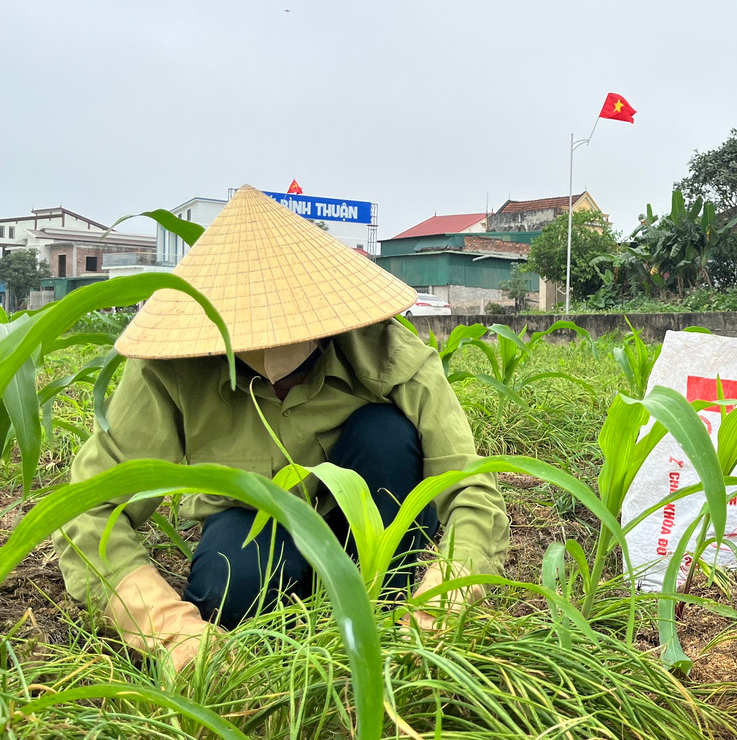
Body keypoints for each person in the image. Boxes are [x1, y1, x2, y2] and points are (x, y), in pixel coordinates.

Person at [53, 186, 508, 669]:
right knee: (231, 585)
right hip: (255, 526)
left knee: (386, 436)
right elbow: (88, 511)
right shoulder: (170, 368)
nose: (273, 354)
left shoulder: (387, 353)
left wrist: (444, 600)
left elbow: (469, 486)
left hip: (371, 524)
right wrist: (169, 630)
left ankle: (382, 603)